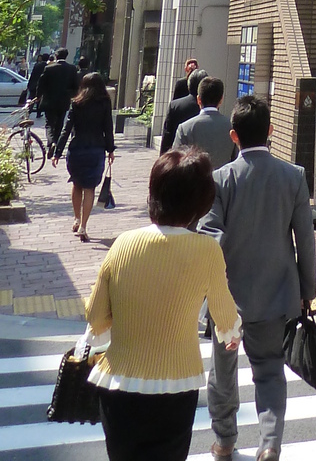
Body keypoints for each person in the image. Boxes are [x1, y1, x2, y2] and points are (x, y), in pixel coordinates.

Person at [84, 149, 240, 461]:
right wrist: (231, 336)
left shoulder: (123, 243)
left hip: (118, 382)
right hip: (176, 384)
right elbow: (226, 319)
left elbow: (96, 316)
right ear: (200, 203)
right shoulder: (207, 250)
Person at [200, 93, 316, 461]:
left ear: (233, 136)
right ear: (270, 131)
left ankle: (225, 441)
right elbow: (305, 240)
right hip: (276, 294)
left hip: (227, 299)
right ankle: (269, 443)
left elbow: (208, 233)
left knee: (222, 374)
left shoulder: (220, 180)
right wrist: (307, 291)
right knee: (269, 371)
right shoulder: (293, 176)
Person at [52, 72, 115, 241]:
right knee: (90, 189)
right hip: (96, 150)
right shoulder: (104, 102)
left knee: (76, 184)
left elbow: (66, 129)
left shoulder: (77, 103)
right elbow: (108, 127)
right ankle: (83, 226)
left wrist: (57, 152)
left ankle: (76, 218)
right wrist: (111, 150)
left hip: (77, 149)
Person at [175, 76, 234, 170]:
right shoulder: (231, 127)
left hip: (193, 182)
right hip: (224, 182)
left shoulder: (184, 128)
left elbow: (176, 162)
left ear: (199, 99)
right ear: (221, 100)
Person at [39, 47, 80, 149]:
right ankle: (56, 143)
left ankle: (50, 142)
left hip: (49, 101)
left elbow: (41, 84)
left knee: (49, 123)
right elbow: (76, 86)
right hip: (64, 101)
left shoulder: (49, 68)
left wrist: (38, 96)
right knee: (60, 123)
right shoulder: (72, 69)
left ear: (56, 56)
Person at [160, 68, 205, 151]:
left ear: (188, 85)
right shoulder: (208, 107)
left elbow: (167, 136)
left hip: (179, 155)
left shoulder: (175, 106)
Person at [27, 50, 51, 115]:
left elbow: (32, 75)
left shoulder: (37, 65)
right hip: (41, 86)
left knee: (31, 99)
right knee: (39, 100)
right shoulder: (47, 67)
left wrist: (29, 84)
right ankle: (38, 113)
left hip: (33, 85)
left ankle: (28, 112)